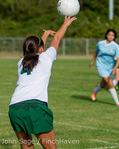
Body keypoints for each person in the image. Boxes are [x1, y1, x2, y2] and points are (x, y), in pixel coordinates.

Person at [8, 16, 77, 149]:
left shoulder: (21, 62)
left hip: (15, 108)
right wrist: (65, 24)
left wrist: (44, 35)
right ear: (41, 49)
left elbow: (36, 49)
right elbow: (57, 39)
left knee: (27, 147)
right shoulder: (46, 57)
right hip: (35, 107)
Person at [89, 29, 119, 108]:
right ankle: (117, 103)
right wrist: (92, 62)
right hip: (100, 65)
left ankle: (95, 91)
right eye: (109, 34)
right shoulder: (100, 44)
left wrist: (115, 68)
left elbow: (118, 59)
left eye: (113, 35)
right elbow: (96, 53)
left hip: (110, 67)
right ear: (106, 35)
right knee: (109, 82)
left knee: (103, 84)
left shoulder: (115, 46)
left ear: (114, 37)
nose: (111, 36)